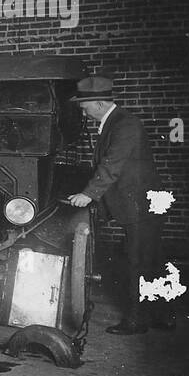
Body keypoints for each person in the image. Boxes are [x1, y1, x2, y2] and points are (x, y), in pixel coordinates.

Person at [66, 75, 172, 334]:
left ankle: (136, 321)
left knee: (138, 262)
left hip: (140, 204)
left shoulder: (125, 124)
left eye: (85, 105)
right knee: (151, 261)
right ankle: (163, 318)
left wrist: (89, 194)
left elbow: (112, 163)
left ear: (99, 103)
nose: (83, 110)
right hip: (141, 203)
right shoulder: (113, 122)